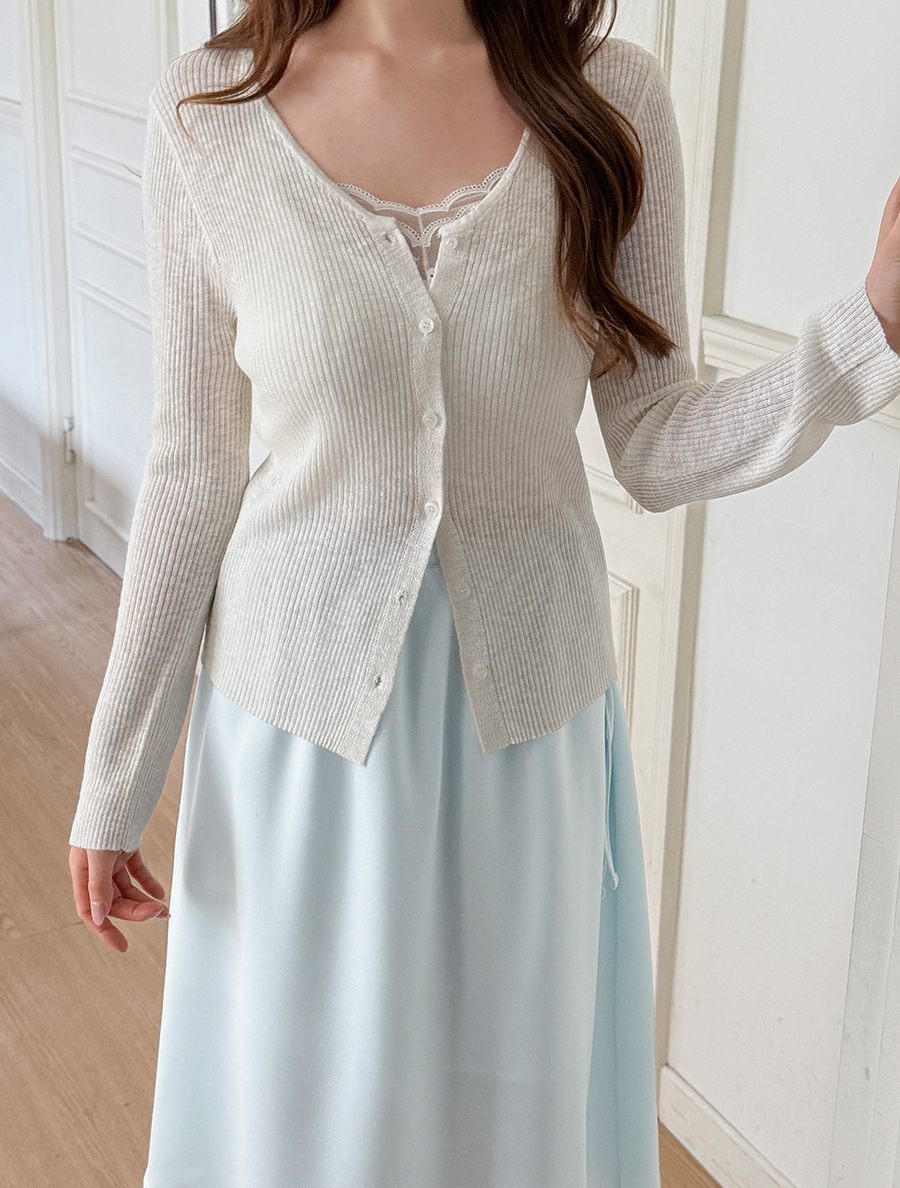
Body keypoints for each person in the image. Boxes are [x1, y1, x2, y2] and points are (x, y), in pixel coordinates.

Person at [67, 0, 900, 1184]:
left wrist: (867, 333)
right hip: (300, 746)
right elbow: (193, 468)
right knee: (308, 1126)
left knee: (509, 1125)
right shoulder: (210, 115)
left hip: (527, 738)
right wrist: (115, 780)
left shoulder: (607, 97)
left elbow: (657, 438)